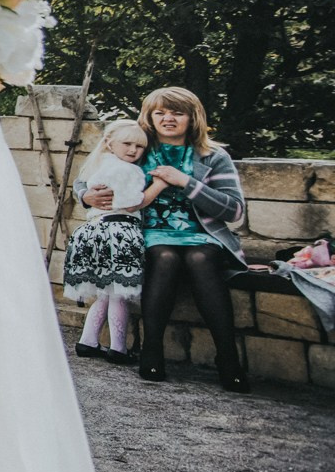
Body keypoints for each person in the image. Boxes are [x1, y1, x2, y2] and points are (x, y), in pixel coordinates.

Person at [85, 86, 250, 391]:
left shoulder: (213, 156)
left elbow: (235, 210)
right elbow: (90, 175)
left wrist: (186, 182)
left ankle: (228, 357)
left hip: (201, 236)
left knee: (200, 259)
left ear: (193, 117)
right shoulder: (138, 148)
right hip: (149, 234)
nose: (168, 118)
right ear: (149, 117)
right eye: (159, 112)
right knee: (165, 256)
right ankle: (152, 348)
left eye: (177, 113)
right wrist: (85, 196)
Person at [64, 119, 158, 364]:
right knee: (119, 295)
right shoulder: (128, 169)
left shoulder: (99, 164)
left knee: (104, 294)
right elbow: (132, 203)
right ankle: (118, 348)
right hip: (118, 233)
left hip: (94, 230)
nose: (133, 150)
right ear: (109, 143)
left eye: (139, 146)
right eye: (127, 144)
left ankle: (88, 341)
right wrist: (158, 186)